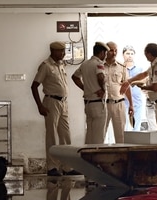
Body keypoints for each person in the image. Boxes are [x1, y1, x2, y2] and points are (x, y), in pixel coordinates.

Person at [30, 41, 77, 177]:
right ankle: (52, 167)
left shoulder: (62, 65)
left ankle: (67, 166)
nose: (63, 54)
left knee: (65, 135)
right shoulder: (46, 66)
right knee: (52, 135)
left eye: (64, 51)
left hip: (63, 103)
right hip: (51, 102)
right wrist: (40, 105)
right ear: (52, 51)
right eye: (60, 51)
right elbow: (34, 86)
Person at [123, 43, 157, 130]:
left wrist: (142, 87)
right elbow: (144, 74)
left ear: (148, 54)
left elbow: (155, 87)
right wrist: (130, 81)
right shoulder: (155, 63)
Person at [71, 42, 110, 144]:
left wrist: (85, 88)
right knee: (98, 136)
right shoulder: (98, 64)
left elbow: (74, 77)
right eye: (105, 53)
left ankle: (87, 158)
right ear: (102, 52)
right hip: (97, 103)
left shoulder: (85, 64)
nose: (105, 56)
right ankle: (98, 158)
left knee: (90, 134)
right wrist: (103, 89)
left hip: (88, 103)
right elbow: (100, 77)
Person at [103, 41, 133, 144]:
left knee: (121, 137)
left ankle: (121, 159)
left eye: (116, 50)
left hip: (118, 104)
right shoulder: (99, 66)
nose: (114, 53)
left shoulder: (122, 67)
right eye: (111, 50)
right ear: (106, 51)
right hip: (103, 104)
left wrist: (131, 105)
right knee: (100, 135)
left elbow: (127, 87)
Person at [122, 45, 146, 131]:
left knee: (136, 127)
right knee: (124, 127)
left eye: (132, 53)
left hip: (137, 102)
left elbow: (144, 82)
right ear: (123, 55)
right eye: (127, 53)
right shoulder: (121, 69)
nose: (130, 55)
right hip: (123, 102)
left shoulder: (140, 70)